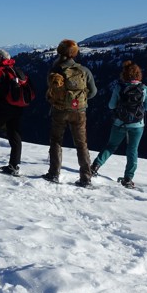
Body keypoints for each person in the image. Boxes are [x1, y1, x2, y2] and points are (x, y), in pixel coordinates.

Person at [91, 61, 147, 188]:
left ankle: (94, 167)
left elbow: (111, 105)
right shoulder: (144, 88)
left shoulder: (119, 87)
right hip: (137, 125)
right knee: (132, 150)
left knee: (111, 146)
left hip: (119, 123)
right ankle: (128, 178)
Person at [44, 39, 97, 186]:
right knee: (82, 144)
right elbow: (93, 92)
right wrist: (81, 99)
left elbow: (50, 91)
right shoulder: (84, 70)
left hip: (59, 110)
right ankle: (86, 178)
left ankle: (54, 173)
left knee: (56, 141)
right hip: (79, 112)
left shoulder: (55, 70)